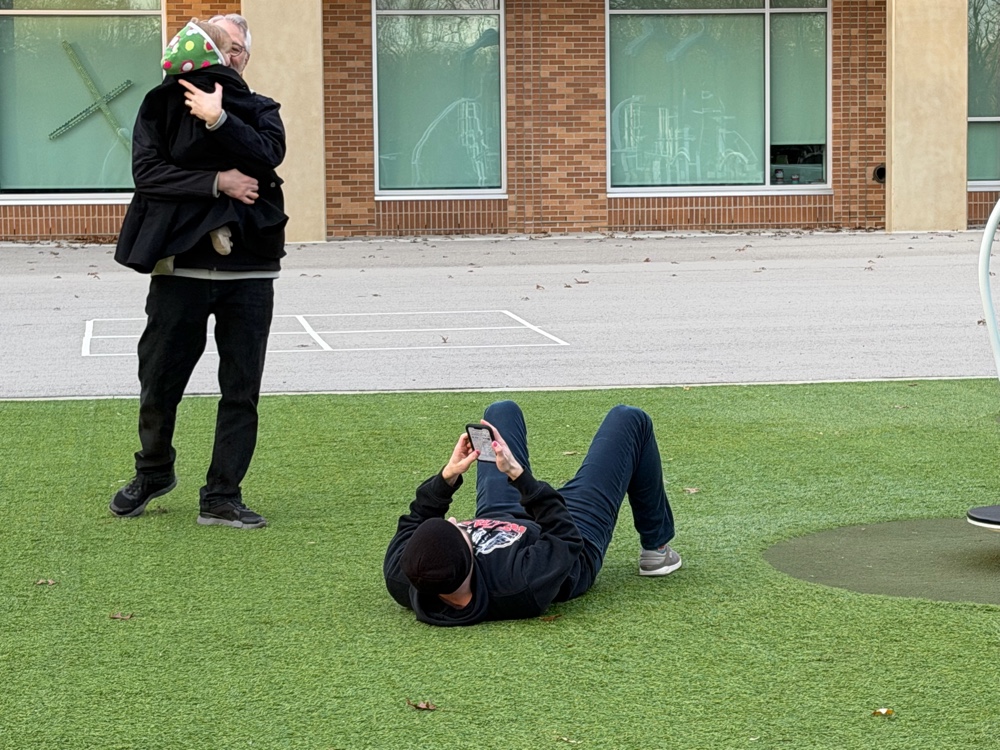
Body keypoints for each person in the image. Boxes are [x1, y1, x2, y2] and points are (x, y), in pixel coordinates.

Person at [109, 13, 285, 529]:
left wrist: (219, 119)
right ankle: (153, 472)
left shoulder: (260, 108)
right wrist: (218, 182)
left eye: (233, 47)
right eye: (216, 43)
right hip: (178, 266)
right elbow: (148, 173)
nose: (224, 54)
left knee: (241, 389)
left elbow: (269, 155)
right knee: (159, 380)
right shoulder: (160, 104)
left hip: (248, 271)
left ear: (241, 57)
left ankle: (222, 495)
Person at [384, 401, 681, 626]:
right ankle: (657, 549)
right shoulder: (518, 584)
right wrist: (517, 475)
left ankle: (507, 472)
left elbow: (414, 521)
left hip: (502, 514)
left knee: (500, 411)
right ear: (469, 557)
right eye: (459, 530)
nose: (453, 520)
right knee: (629, 419)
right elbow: (564, 536)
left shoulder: (406, 577)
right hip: (572, 535)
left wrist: (448, 476)